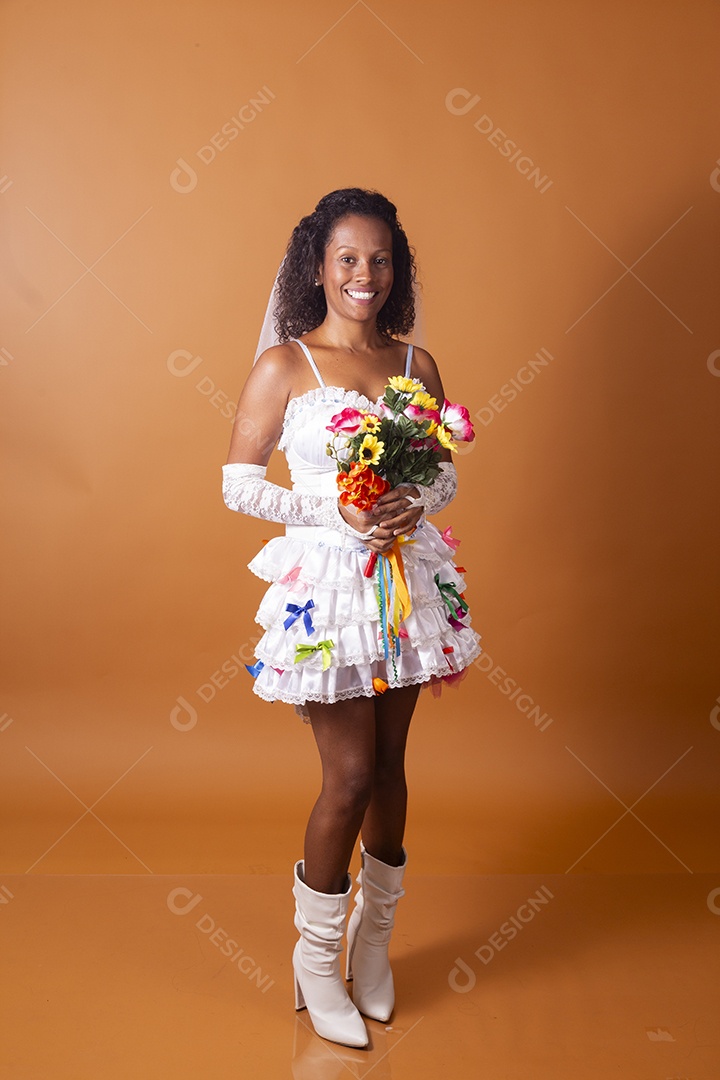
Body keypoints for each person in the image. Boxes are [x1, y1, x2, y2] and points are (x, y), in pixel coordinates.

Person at [222, 188, 481, 1048]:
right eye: (346, 259)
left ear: (394, 268)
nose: (363, 274)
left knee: (394, 769)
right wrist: (336, 511)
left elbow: (444, 473)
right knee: (350, 777)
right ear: (317, 268)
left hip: (403, 586)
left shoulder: (416, 361)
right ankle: (316, 958)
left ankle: (375, 950)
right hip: (328, 592)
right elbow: (238, 482)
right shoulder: (286, 364)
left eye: (378, 259)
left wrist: (416, 496)